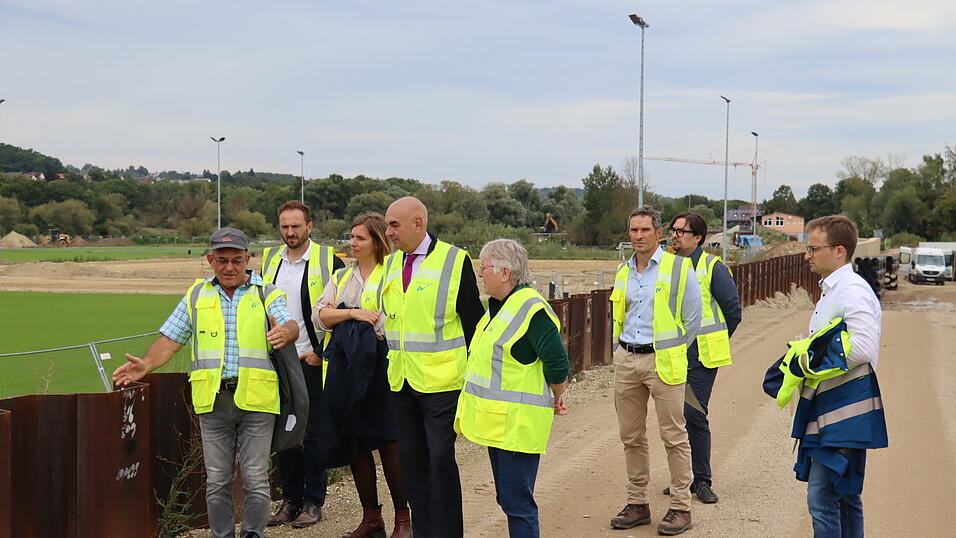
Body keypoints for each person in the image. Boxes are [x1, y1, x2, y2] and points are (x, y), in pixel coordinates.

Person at [113, 228, 298, 538]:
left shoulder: (266, 292)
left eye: (236, 260)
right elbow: (172, 339)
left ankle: (254, 533)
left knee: (255, 478)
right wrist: (144, 365)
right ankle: (221, 535)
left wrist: (287, 332)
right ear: (210, 260)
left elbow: (288, 323)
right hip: (212, 401)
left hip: (258, 399)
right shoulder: (197, 295)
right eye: (222, 260)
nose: (229, 267)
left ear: (247, 259)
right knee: (217, 480)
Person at [764, 215, 886, 538]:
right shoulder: (833, 290)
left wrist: (809, 363)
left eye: (813, 248)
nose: (807, 255)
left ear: (840, 251)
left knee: (822, 496)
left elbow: (862, 347)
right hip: (833, 403)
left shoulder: (853, 292)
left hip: (845, 404)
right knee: (844, 495)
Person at [382, 196, 484, 538]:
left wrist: (475, 381)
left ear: (418, 224)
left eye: (394, 225)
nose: (389, 232)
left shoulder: (455, 261)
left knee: (440, 462)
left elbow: (474, 325)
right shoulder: (392, 264)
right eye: (387, 224)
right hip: (402, 381)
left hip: (443, 383)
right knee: (412, 467)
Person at [454, 239, 570, 538]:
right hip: (499, 423)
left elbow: (557, 364)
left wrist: (557, 397)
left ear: (505, 273)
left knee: (518, 503)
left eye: (485, 267)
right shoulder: (498, 308)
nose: (481, 274)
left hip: (518, 426)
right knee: (509, 499)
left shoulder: (530, 309)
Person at [314, 213, 411, 538]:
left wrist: (340, 316)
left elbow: (391, 320)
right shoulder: (342, 276)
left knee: (388, 443)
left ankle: (403, 518)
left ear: (377, 241)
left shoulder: (392, 274)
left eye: (360, 238)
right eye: (352, 237)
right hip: (345, 368)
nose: (352, 243)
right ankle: (372, 518)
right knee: (353, 441)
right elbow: (320, 316)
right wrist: (353, 313)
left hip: (380, 368)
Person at [608, 206, 701, 536]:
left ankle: (680, 507)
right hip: (627, 360)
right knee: (631, 437)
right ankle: (638, 503)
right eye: (633, 230)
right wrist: (620, 353)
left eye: (645, 230)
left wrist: (671, 349)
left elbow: (693, 318)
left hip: (663, 362)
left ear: (658, 233)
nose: (638, 236)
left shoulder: (678, 268)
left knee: (674, 436)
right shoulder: (623, 271)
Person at [261, 201, 344, 529]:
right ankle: (290, 500)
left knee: (313, 435)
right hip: (278, 362)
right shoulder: (270, 260)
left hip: (312, 360)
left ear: (310, 226)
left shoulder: (328, 260)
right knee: (284, 434)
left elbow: (344, 309)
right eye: (285, 227)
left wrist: (324, 354)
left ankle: (313, 501)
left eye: (296, 227)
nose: (290, 233)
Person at [662, 212, 741, 504]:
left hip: (702, 355)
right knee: (675, 417)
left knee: (693, 414)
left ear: (698, 238)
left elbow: (733, 311)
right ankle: (683, 479)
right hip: (674, 353)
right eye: (673, 230)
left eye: (682, 231)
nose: (675, 235)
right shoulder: (667, 267)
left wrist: (715, 339)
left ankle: (702, 480)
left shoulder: (712, 267)